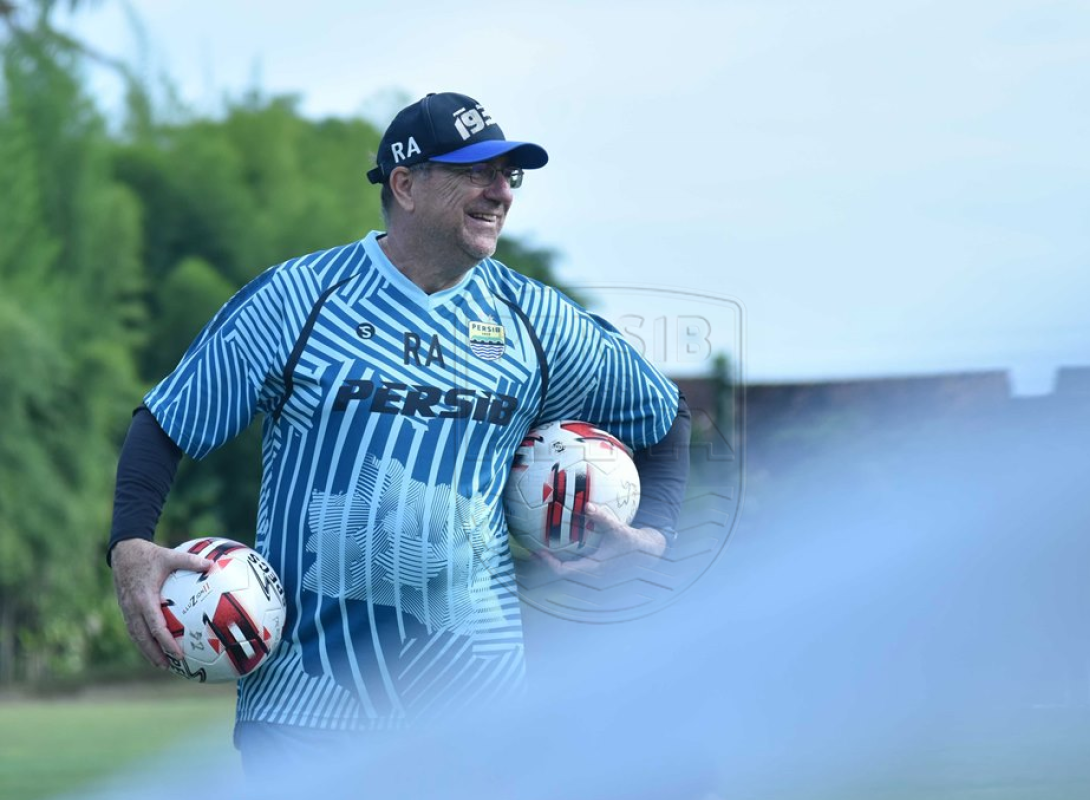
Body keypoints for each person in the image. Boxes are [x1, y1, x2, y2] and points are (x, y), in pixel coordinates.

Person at [108, 91, 690, 768]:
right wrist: (129, 545)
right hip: (305, 711)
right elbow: (168, 420)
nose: (501, 191)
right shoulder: (299, 298)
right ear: (407, 185)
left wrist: (659, 531)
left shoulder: (533, 318)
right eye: (477, 172)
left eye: (510, 175)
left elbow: (660, 413)